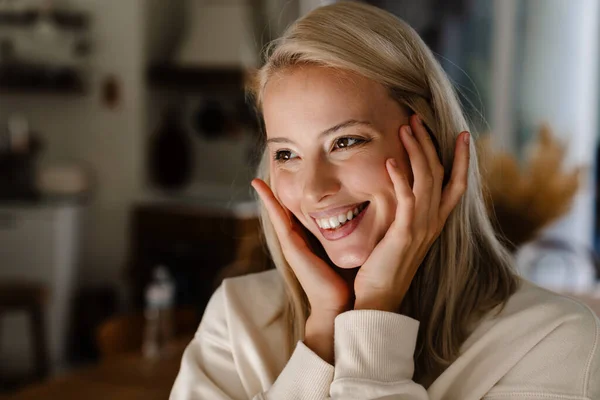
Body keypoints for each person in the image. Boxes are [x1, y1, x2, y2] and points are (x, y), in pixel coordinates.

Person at [170, 2, 600, 399]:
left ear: (428, 142)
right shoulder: (236, 318)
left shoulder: (554, 339)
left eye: (346, 141)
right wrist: (321, 335)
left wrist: (375, 310)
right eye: (286, 153)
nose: (314, 189)